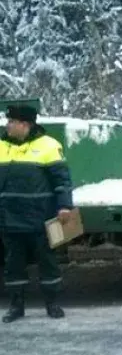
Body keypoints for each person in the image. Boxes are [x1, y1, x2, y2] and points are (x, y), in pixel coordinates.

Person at [0, 103, 73, 322]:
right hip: (9, 217)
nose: (8, 125)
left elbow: (62, 180)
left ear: (25, 124)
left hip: (41, 217)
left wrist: (64, 206)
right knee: (13, 263)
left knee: (47, 261)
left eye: (11, 122)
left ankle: (52, 303)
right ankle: (16, 306)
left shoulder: (49, 146)